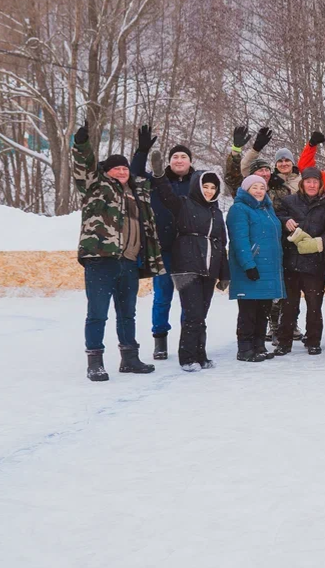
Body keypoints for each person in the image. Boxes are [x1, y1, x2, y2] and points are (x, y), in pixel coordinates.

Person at [72, 120, 166, 381]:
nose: (122, 171)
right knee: (98, 313)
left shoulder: (137, 192)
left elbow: (138, 172)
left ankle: (129, 358)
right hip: (101, 259)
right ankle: (95, 361)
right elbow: (85, 167)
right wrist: (81, 144)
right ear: (107, 171)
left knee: (127, 313)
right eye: (117, 168)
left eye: (124, 167)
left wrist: (141, 153)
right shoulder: (96, 185)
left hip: (129, 262)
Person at [148, 155, 228, 372]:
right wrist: (159, 175)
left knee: (201, 315)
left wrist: (224, 273)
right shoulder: (184, 204)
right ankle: (187, 357)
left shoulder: (216, 212)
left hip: (209, 268)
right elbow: (166, 195)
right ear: (197, 186)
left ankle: (201, 355)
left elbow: (222, 242)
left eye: (213, 187)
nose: (209, 191)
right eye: (206, 186)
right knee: (192, 314)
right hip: (186, 266)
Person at [130, 124, 195, 361]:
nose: (179, 160)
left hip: (188, 250)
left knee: (189, 299)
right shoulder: (157, 179)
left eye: (183, 156)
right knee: (162, 296)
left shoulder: (198, 181)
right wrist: (142, 151)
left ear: (190, 161)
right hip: (163, 248)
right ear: (169, 161)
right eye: (175, 156)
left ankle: (186, 340)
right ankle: (160, 339)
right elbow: (134, 174)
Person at [276, 167, 325, 355]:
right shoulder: (289, 201)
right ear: (302, 183)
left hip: (315, 263)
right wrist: (285, 220)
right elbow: (276, 217)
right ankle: (284, 341)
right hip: (291, 261)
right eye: (308, 181)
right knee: (289, 304)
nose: (312, 185)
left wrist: (321, 242)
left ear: (320, 184)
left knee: (314, 305)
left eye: (315, 182)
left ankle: (313, 340)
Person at [226, 174, 287, 362]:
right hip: (251, 269)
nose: (259, 191)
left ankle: (259, 345)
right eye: (255, 187)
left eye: (262, 187)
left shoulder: (267, 209)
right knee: (248, 312)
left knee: (263, 310)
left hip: (268, 269)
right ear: (246, 190)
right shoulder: (239, 209)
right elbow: (239, 240)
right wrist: (248, 264)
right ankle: (245, 349)